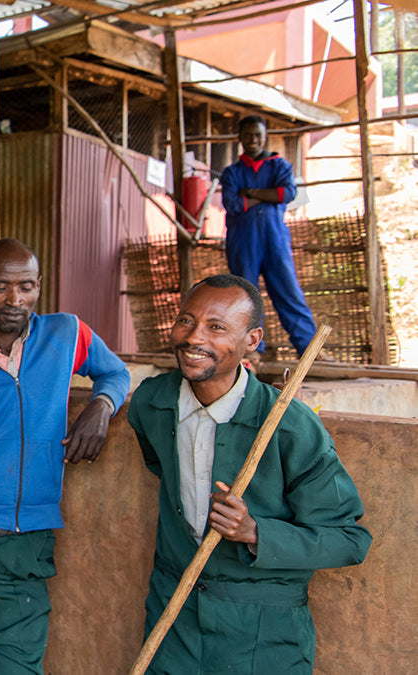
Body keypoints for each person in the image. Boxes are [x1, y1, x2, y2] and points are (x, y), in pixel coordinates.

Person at [127, 274, 370, 674]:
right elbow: (159, 465)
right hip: (174, 620)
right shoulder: (153, 403)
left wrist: (255, 532)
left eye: (217, 327)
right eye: (186, 320)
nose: (194, 337)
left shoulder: (290, 426)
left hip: (262, 633)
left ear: (252, 341)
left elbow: (349, 540)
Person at [0, 238, 130, 674]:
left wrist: (101, 407)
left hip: (25, 547)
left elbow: (116, 372)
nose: (15, 300)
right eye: (1, 287)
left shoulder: (66, 334)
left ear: (38, 286)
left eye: (27, 286)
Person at [219, 114, 319, 360]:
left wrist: (251, 193)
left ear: (265, 137)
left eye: (257, 135)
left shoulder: (280, 166)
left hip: (275, 241)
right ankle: (252, 352)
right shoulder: (232, 173)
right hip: (243, 243)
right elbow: (233, 204)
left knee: (290, 294)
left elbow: (286, 193)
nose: (253, 139)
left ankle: (309, 352)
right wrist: (268, 194)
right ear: (240, 138)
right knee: (245, 298)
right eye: (248, 135)